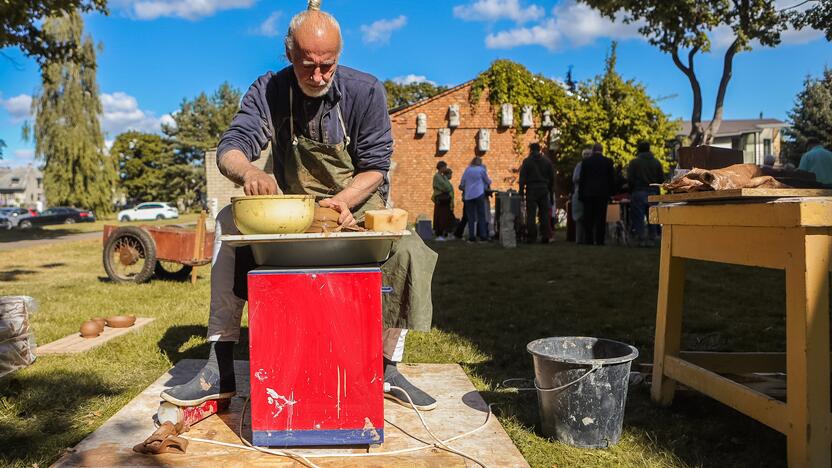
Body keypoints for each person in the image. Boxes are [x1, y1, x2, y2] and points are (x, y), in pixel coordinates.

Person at [160, 1, 439, 411]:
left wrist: (343, 201)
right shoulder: (270, 90)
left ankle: (387, 367)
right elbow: (231, 147)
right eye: (308, 64)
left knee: (410, 250)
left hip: (356, 203)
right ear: (288, 53)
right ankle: (219, 369)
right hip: (295, 207)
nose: (319, 75)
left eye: (328, 65)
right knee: (226, 222)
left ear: (339, 57)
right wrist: (249, 173)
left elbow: (376, 167)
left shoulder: (366, 91)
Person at [627, 141, 664, 246]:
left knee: (638, 216)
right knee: (652, 216)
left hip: (638, 192)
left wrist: (631, 191)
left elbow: (630, 179)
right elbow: (661, 179)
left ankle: (641, 238)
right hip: (653, 192)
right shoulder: (656, 162)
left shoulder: (634, 162)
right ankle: (653, 237)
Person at [579, 143, 616, 245]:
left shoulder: (586, 162)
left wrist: (581, 194)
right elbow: (611, 179)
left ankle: (589, 239)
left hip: (588, 193)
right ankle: (600, 240)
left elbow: (582, 180)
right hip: (602, 193)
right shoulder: (608, 162)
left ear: (593, 150)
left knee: (588, 217)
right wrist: (612, 193)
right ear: (602, 150)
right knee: (601, 217)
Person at [519, 142, 555, 244]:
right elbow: (552, 178)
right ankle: (545, 236)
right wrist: (551, 191)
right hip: (544, 189)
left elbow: (522, 178)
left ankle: (531, 237)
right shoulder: (547, 161)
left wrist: (521, 192)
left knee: (531, 214)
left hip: (531, 190)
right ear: (539, 149)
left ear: (530, 150)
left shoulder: (527, 162)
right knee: (544, 214)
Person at [458, 157, 491, 242]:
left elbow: (462, 183)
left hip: (468, 196)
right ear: (479, 162)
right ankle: (483, 236)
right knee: (481, 216)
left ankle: (471, 236)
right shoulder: (481, 170)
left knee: (471, 217)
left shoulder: (467, 170)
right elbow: (488, 181)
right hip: (479, 194)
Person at [572, 148, 592, 243]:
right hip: (580, 192)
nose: (587, 156)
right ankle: (579, 239)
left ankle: (587, 238)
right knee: (579, 217)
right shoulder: (579, 165)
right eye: (585, 154)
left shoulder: (592, 166)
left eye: (589, 154)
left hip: (588, 192)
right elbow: (575, 178)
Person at [432, 161, 454, 240]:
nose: (445, 168)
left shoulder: (443, 176)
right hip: (441, 199)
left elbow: (449, 186)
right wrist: (448, 189)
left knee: (445, 217)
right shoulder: (437, 176)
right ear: (441, 167)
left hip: (446, 200)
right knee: (440, 216)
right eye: (444, 167)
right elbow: (446, 187)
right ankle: (439, 233)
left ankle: (445, 233)